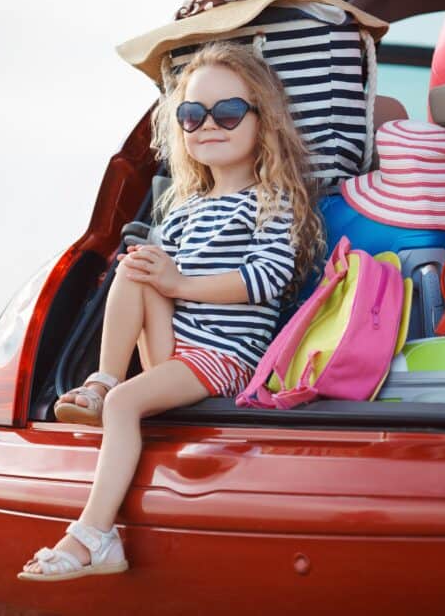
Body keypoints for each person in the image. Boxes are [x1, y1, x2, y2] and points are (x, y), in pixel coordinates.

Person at [18, 41, 325, 581]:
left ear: (263, 121)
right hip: (176, 348)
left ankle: (93, 535)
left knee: (123, 408)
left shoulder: (272, 200)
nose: (208, 124)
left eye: (227, 112)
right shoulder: (184, 210)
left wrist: (178, 281)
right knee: (136, 264)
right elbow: (157, 285)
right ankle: (104, 379)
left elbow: (265, 279)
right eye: (191, 115)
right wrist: (161, 274)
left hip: (225, 356)